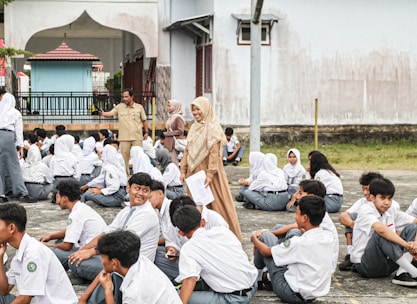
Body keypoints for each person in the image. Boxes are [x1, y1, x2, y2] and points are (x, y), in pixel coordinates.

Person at [69, 172, 159, 282]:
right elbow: (106, 234)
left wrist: (91, 252)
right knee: (75, 254)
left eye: (145, 190)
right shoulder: (127, 210)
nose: (141, 193)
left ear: (149, 193)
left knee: (75, 262)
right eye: (137, 188)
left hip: (130, 268)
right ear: (128, 188)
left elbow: (123, 243)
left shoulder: (147, 214)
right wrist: (84, 249)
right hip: (117, 258)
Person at [254, 179, 339, 291]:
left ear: (311, 196)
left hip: (297, 286)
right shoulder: (318, 218)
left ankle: (258, 276)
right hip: (316, 277)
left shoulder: (306, 236)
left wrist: (257, 237)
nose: (297, 196)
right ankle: (264, 272)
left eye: (300, 193)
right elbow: (293, 227)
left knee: (265, 238)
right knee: (283, 230)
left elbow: (266, 251)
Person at [180, 96, 242, 240]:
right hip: (193, 172)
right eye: (193, 109)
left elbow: (215, 155)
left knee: (216, 203)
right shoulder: (194, 127)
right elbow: (187, 150)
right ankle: (201, 236)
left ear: (206, 109)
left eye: (198, 109)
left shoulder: (212, 128)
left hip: (209, 173)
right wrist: (183, 170)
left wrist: (210, 174)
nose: (195, 112)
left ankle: (227, 236)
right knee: (197, 204)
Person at [174, 205, 257, 304]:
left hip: (233, 299)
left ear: (181, 232)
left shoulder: (188, 249)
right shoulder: (223, 231)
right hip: (253, 284)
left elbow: (189, 280)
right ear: (203, 222)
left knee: (175, 295)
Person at [0, 203, 78, 303]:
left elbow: (25, 299)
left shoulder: (32, 253)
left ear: (11, 228)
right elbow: (4, 290)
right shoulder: (20, 252)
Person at [350, 178, 417, 286]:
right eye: (382, 198)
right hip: (367, 265)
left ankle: (402, 273)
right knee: (380, 234)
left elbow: (415, 223)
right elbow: (381, 230)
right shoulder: (365, 210)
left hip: (388, 264)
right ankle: (414, 272)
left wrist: (415, 244)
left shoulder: (391, 210)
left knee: (411, 228)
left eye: (389, 199)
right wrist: (406, 245)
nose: (387, 202)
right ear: (372, 197)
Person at [94, 230, 182, 304]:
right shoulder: (141, 260)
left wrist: (108, 290)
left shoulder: (134, 293)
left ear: (114, 262)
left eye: (102, 257)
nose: (101, 261)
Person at [39, 178, 107, 270]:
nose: (56, 201)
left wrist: (49, 246)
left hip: (91, 252)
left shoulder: (75, 215)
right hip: (93, 247)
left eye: (58, 196)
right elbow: (71, 230)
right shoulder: (81, 207)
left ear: (64, 198)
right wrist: (50, 237)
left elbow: (67, 246)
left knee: (46, 250)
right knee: (59, 241)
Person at [338, 172, 387, 271]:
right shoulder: (362, 202)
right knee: (352, 217)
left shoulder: (387, 205)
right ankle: (351, 254)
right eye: (363, 189)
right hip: (362, 237)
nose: (365, 193)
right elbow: (343, 217)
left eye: (367, 189)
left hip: (376, 238)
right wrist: (353, 224)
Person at [99, 89, 149, 177]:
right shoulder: (119, 107)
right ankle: (127, 177)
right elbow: (111, 113)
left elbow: (144, 120)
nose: (124, 99)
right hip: (124, 137)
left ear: (132, 97)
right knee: (124, 158)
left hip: (137, 136)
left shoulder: (139, 107)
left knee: (138, 156)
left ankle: (139, 176)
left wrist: (146, 132)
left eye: (126, 97)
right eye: (123, 97)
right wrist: (103, 114)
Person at [0, 88, 35, 203]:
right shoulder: (15, 113)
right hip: (7, 136)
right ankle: (21, 192)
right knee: (14, 165)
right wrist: (20, 146)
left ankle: (2, 194)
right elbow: (18, 131)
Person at [20, 132, 53, 200]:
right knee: (51, 184)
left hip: (27, 191)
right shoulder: (42, 166)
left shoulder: (23, 166)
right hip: (38, 190)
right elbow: (49, 180)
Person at [50, 134, 79, 204]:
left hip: (57, 182)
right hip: (70, 180)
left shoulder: (53, 158)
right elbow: (78, 174)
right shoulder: (73, 157)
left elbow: (50, 173)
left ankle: (57, 197)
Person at [163, 99, 186, 166]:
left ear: (175, 107)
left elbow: (180, 131)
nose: (168, 108)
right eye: (167, 106)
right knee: (169, 161)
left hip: (174, 143)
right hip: (169, 142)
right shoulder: (171, 117)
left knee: (173, 162)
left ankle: (176, 175)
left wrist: (168, 134)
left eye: (170, 106)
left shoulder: (178, 118)